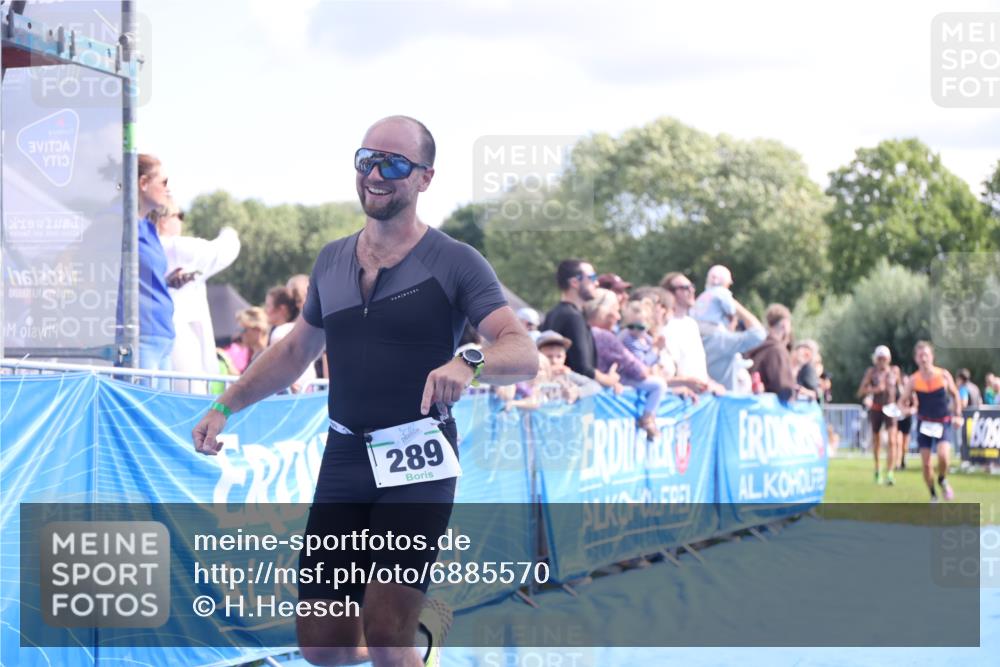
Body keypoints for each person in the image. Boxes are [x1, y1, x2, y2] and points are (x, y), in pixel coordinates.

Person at [192, 116, 537, 667]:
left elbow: (522, 350)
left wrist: (470, 359)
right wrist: (223, 405)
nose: (376, 173)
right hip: (346, 456)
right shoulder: (331, 259)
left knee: (384, 633)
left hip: (418, 460)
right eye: (366, 159)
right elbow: (293, 352)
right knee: (322, 644)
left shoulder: (455, 260)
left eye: (394, 163)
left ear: (424, 178)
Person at [155, 202, 241, 393]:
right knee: (192, 397)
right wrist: (229, 231)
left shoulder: (144, 247)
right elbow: (223, 251)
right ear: (163, 220)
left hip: (157, 334)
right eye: (180, 215)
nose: (182, 222)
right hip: (182, 336)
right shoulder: (176, 247)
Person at [118, 153, 184, 388]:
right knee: (140, 416)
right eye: (163, 182)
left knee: (157, 411)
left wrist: (166, 282)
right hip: (140, 336)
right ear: (143, 183)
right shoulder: (119, 225)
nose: (168, 190)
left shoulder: (148, 228)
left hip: (162, 335)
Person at [585, 288, 668, 439]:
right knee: (659, 385)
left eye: (640, 327)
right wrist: (655, 351)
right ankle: (648, 418)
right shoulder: (610, 337)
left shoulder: (644, 339)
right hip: (618, 382)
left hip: (613, 382)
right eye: (631, 326)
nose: (617, 317)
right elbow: (639, 370)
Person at [898, 341, 962, 502]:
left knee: (943, 456)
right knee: (926, 464)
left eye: (926, 355)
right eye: (920, 356)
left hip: (943, 421)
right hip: (924, 423)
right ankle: (933, 494)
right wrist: (905, 410)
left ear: (932, 356)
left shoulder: (944, 375)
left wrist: (958, 414)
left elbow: (955, 395)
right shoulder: (913, 380)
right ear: (916, 359)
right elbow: (902, 401)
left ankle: (942, 479)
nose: (924, 358)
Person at [542, 259, 621, 390]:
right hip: (571, 400)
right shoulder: (573, 317)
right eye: (592, 277)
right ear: (574, 282)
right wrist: (609, 380)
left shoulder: (554, 313)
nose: (596, 283)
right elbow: (582, 368)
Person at [659, 272, 723, 393]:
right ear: (670, 293)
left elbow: (695, 366)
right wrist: (683, 384)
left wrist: (710, 383)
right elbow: (667, 370)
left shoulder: (691, 324)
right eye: (684, 288)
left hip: (700, 398)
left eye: (691, 286)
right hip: (679, 398)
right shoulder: (665, 326)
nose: (691, 290)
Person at [696, 294, 766, 391]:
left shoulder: (696, 335)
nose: (736, 323)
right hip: (723, 402)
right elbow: (759, 334)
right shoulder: (721, 341)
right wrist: (735, 305)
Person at [856, 345, 901, 485]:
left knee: (893, 441)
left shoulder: (895, 371)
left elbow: (902, 390)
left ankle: (890, 473)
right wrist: (875, 389)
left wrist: (906, 402)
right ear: (876, 359)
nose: (882, 361)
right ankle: (877, 470)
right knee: (877, 441)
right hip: (876, 409)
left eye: (884, 358)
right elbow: (860, 391)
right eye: (880, 358)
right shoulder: (871, 372)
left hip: (891, 408)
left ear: (888, 359)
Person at [745, 304, 800, 402]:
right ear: (784, 325)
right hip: (771, 413)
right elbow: (784, 388)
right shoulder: (777, 350)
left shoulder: (755, 346)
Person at [536, 330, 602, 399]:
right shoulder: (532, 376)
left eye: (559, 356)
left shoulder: (566, 374)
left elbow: (595, 386)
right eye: (549, 356)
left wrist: (577, 392)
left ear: (564, 357)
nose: (554, 361)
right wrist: (546, 373)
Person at [690, 264, 736, 329]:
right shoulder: (723, 292)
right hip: (713, 328)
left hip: (696, 327)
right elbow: (731, 312)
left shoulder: (703, 294)